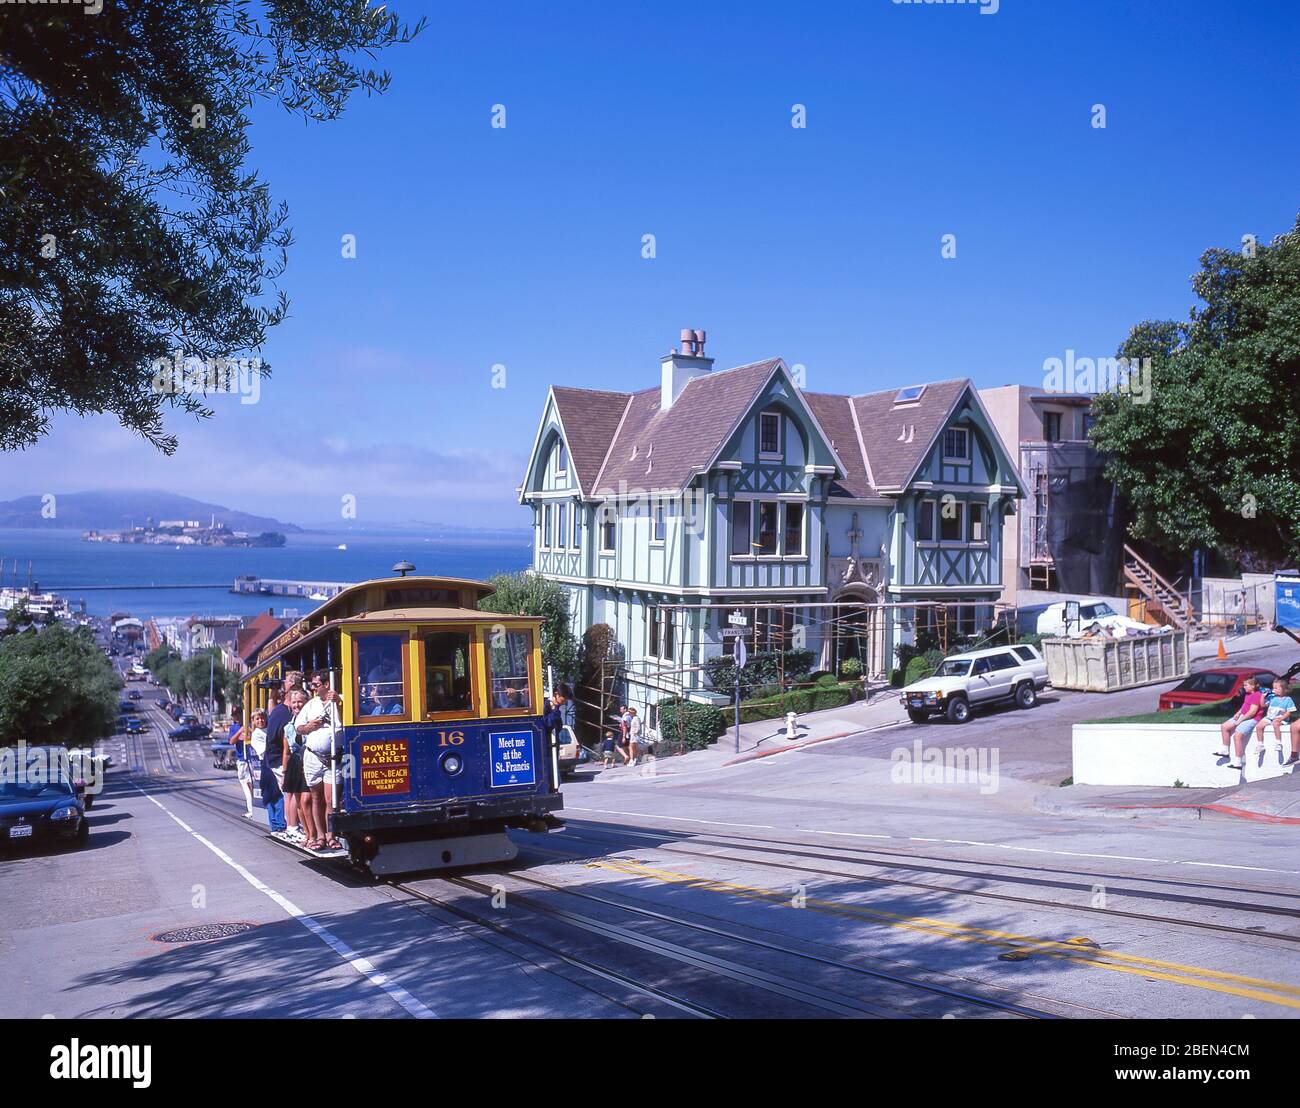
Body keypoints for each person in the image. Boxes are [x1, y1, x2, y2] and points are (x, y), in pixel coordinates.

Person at [297, 672, 341, 851]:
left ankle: (332, 836)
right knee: (316, 798)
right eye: (312, 685)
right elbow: (298, 727)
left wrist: (338, 701)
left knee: (331, 799)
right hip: (313, 757)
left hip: (334, 758)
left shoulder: (340, 700)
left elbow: (351, 718)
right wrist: (308, 727)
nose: (313, 688)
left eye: (315, 684)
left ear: (326, 684)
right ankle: (320, 836)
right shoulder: (311, 705)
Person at [282, 686, 314, 844]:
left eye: (300, 702)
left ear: (306, 703)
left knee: (307, 799)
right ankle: (308, 834)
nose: (296, 705)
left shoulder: (312, 722)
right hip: (295, 763)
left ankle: (314, 834)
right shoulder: (288, 727)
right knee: (299, 801)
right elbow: (286, 752)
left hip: (309, 759)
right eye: (294, 702)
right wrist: (284, 772)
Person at [1215, 677, 1264, 770]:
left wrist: (1240, 721)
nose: (1244, 687)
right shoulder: (1248, 694)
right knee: (1224, 726)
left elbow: (1252, 712)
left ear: (1253, 686)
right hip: (1244, 716)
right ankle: (1225, 750)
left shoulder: (1257, 695)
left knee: (1237, 736)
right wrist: (1238, 713)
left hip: (1252, 719)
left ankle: (1238, 762)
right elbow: (1245, 706)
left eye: (1246, 685)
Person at [260, 688, 290, 833]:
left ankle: (278, 825)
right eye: (257, 719)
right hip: (269, 763)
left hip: (272, 761)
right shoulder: (256, 735)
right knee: (274, 796)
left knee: (277, 796)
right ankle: (277, 825)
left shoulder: (273, 718)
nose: (261, 721)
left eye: (262, 718)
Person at [228, 706, 253, 819]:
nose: (236, 717)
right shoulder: (233, 728)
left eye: (238, 714)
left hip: (252, 759)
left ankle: (253, 809)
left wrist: (248, 729)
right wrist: (240, 731)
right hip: (242, 760)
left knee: (251, 785)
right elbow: (232, 741)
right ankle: (251, 809)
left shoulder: (250, 725)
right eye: (234, 715)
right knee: (246, 784)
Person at [1261, 678, 1297, 760]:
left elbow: (1290, 711)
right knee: (1259, 726)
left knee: (1275, 724)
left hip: (1280, 719)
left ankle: (1278, 742)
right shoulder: (1272, 698)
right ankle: (1260, 744)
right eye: (1273, 688)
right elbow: (1263, 705)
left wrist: (1282, 718)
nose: (1274, 690)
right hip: (1269, 718)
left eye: (1276, 688)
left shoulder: (1288, 699)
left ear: (1284, 689)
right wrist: (1262, 697)